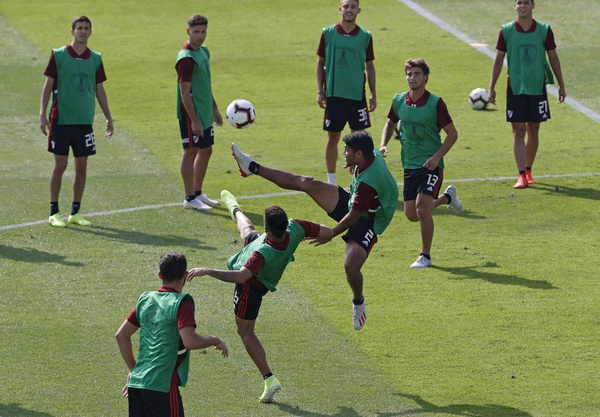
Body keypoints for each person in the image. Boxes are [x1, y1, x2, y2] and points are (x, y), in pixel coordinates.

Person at [230, 130, 398, 331]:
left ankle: (358, 301)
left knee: (351, 266)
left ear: (360, 154)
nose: (343, 153)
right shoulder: (370, 155)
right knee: (306, 182)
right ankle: (252, 167)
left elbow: (354, 216)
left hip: (369, 220)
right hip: (356, 202)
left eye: (347, 151)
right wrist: (353, 164)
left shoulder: (368, 184)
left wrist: (332, 234)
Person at [187, 191, 333, 403]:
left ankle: (269, 379)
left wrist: (207, 270)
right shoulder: (296, 226)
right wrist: (310, 236)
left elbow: (240, 277)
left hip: (252, 287)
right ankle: (233, 206)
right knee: (247, 231)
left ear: (267, 229)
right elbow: (327, 232)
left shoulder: (261, 255)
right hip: (263, 249)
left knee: (245, 331)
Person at [115, 252, 228, 416]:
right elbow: (189, 341)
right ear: (185, 275)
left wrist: (134, 371)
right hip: (163, 386)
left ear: (160, 275)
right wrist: (214, 340)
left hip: (137, 385)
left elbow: (121, 335)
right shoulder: (182, 303)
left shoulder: (145, 300)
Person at [380, 58, 464, 269]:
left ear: (425, 77)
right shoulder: (399, 100)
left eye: (417, 74)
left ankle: (425, 256)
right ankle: (447, 198)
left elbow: (452, 134)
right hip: (410, 165)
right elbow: (389, 123)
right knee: (412, 214)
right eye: (409, 74)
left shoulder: (436, 103)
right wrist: (383, 144)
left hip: (431, 165)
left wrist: (437, 157)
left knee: (421, 208)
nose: (413, 78)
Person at [39, 16, 114, 228]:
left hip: (83, 122)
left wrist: (108, 117)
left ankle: (75, 211)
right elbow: (48, 86)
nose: (82, 31)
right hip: (61, 120)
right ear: (72, 32)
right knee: (60, 165)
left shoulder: (96, 58)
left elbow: (99, 89)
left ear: (90, 32)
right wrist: (42, 115)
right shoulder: (59, 55)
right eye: (79, 28)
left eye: (86, 28)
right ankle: (54, 211)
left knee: (82, 165)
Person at [488, 0, 566, 189]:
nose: (522, 6)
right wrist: (491, 87)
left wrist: (561, 86)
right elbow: (498, 59)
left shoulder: (544, 30)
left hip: (537, 87)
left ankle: (529, 170)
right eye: (519, 3)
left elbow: (553, 57)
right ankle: (521, 174)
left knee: (533, 128)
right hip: (515, 87)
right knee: (518, 130)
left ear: (533, 6)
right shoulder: (506, 31)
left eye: (526, 3)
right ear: (514, 6)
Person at [316, 0, 376, 184]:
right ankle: (331, 182)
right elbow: (320, 63)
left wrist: (374, 93)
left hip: (357, 97)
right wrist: (320, 91)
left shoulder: (365, 36)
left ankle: (358, 181)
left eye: (353, 6)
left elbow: (369, 66)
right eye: (346, 6)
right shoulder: (328, 33)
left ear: (359, 9)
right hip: (334, 95)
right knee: (333, 137)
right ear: (340, 9)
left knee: (359, 141)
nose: (349, 10)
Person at [176, 14, 223, 211]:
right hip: (191, 114)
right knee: (190, 152)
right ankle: (189, 198)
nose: (200, 36)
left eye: (203, 32)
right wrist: (194, 121)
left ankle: (197, 192)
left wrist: (214, 108)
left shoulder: (204, 52)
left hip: (204, 111)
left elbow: (205, 83)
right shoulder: (186, 59)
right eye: (196, 32)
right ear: (188, 31)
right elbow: (185, 94)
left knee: (206, 150)